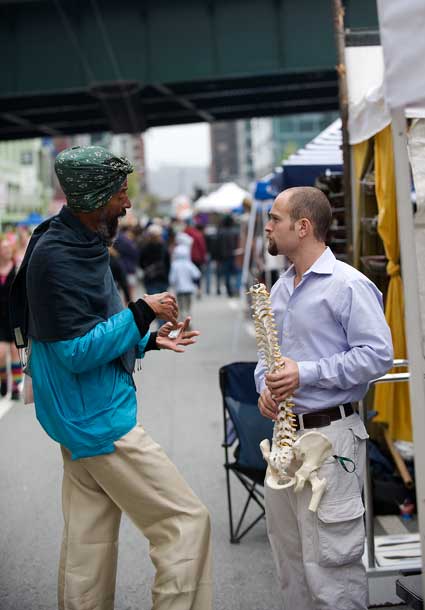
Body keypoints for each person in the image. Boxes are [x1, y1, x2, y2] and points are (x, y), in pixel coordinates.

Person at [10, 145, 212, 610]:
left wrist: (147, 338)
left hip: (77, 418)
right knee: (186, 523)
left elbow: (94, 326)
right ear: (94, 197)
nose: (127, 203)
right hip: (98, 421)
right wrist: (143, 311)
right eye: (120, 193)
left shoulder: (73, 243)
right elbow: (76, 352)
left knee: (89, 547)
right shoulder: (56, 258)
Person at [254, 186, 393, 610]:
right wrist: (264, 388)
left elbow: (377, 356)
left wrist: (306, 373)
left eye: (275, 218)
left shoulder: (348, 284)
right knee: (291, 564)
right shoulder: (280, 289)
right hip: (285, 444)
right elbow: (266, 359)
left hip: (333, 441)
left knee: (332, 569)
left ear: (303, 226)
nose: (268, 226)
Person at [0, 237, 22, 400]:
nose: (5, 251)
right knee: (0, 354)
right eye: (3, 249)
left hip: (15, 317)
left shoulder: (17, 268)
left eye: (8, 249)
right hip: (0, 318)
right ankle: (4, 381)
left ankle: (15, 387)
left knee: (16, 352)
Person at [169, 241, 201, 320]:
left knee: (181, 307)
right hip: (189, 289)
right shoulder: (189, 264)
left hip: (180, 290)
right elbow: (197, 274)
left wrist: (173, 285)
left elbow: (172, 279)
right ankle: (188, 320)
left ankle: (184, 321)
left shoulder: (175, 265)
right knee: (188, 307)